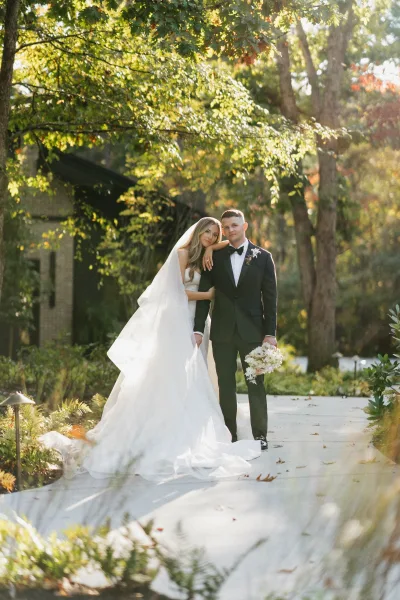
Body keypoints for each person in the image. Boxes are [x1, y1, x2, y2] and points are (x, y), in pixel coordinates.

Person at [40, 217, 260, 482]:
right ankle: (162, 428)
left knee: (196, 377)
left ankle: (188, 429)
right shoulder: (180, 254)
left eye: (215, 235)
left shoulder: (208, 256)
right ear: (198, 231)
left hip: (199, 323)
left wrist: (213, 249)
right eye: (208, 233)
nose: (212, 237)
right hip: (176, 320)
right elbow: (176, 292)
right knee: (173, 375)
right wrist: (207, 296)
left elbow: (232, 240)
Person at [194, 209, 277, 450]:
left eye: (234, 225)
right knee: (226, 385)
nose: (230, 230)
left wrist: (270, 334)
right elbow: (203, 297)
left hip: (254, 333)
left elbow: (270, 300)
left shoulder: (263, 257)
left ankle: (260, 435)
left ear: (245, 226)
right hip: (222, 332)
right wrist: (198, 329)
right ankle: (229, 434)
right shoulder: (214, 258)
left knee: (256, 384)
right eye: (226, 226)